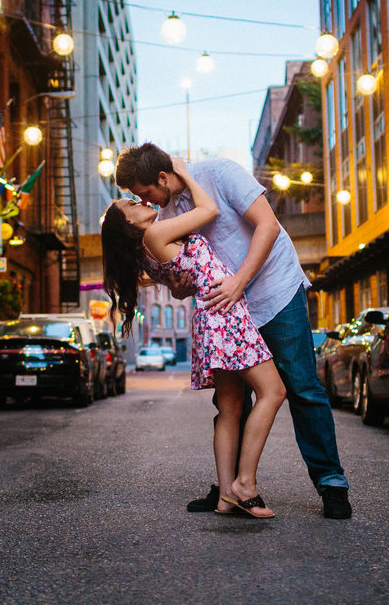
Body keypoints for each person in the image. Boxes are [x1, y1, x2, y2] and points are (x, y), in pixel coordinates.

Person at [115, 143, 352, 519]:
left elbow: (268, 226)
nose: (148, 202)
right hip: (227, 310)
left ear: (162, 177)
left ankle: (330, 483)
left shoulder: (219, 173)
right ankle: (231, 490)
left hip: (274, 291)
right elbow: (184, 272)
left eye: (145, 194)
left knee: (303, 387)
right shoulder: (166, 213)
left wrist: (239, 281)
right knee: (230, 403)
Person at [101, 157, 286, 518]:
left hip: (210, 315)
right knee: (273, 392)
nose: (142, 202)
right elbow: (210, 209)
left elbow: (178, 285)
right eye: (131, 204)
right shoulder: (156, 234)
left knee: (231, 406)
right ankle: (245, 485)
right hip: (225, 312)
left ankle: (225, 496)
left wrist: (179, 287)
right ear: (128, 224)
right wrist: (183, 173)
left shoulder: (147, 248)